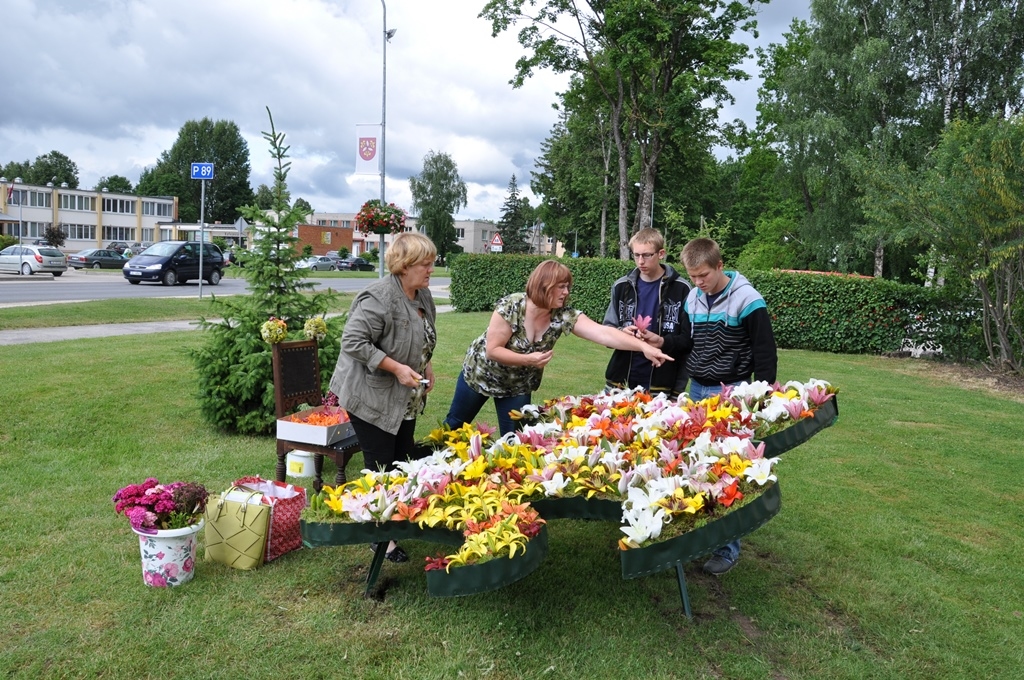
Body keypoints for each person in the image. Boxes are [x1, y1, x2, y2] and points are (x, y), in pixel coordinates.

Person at [642, 237, 777, 576]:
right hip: (697, 387)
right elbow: (687, 341)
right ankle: (697, 533)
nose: (698, 283)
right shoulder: (693, 296)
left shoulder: (748, 300)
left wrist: (762, 397)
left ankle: (727, 549)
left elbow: (765, 352)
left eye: (703, 276)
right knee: (693, 464)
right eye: (693, 276)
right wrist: (662, 341)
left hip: (732, 390)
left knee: (726, 469)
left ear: (719, 266)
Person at [444, 259, 673, 436]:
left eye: (567, 287)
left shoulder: (563, 315)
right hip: (481, 375)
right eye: (560, 287)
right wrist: (529, 360)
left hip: (517, 386)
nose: (566, 292)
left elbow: (603, 333)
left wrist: (643, 347)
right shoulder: (512, 305)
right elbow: (493, 350)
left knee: (514, 442)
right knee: (453, 426)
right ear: (544, 286)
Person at [328, 231, 438, 563]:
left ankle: (394, 517)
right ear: (404, 266)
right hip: (371, 397)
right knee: (379, 467)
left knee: (403, 461)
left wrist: (426, 365)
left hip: (404, 397)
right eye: (425, 263)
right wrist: (396, 368)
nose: (431, 268)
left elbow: (422, 335)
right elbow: (353, 342)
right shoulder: (377, 298)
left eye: (432, 262)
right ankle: (379, 537)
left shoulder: (422, 295)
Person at [603, 228, 690, 397]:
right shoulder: (621, 286)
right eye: (636, 255)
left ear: (661, 253)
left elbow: (687, 341)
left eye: (647, 255)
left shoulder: (682, 289)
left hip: (662, 382)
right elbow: (607, 331)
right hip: (621, 381)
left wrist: (663, 341)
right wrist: (621, 333)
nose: (640, 261)